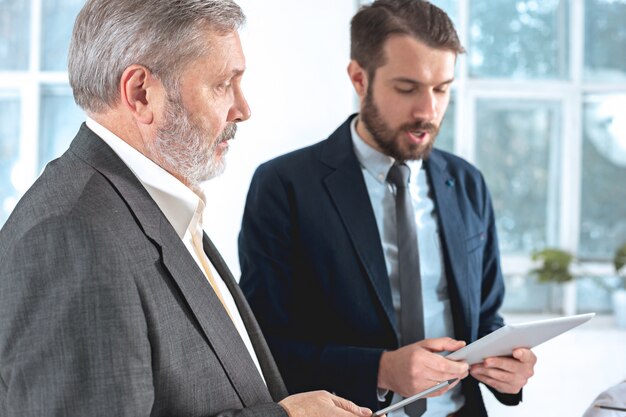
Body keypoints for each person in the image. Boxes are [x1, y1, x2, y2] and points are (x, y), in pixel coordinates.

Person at [0, 1, 373, 417]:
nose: (243, 109)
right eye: (221, 85)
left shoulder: (158, 206)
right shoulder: (70, 239)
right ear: (141, 93)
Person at [238, 1, 536, 416]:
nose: (427, 112)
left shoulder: (468, 184)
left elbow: (486, 316)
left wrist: (510, 370)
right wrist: (380, 369)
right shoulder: (284, 186)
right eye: (407, 88)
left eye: (441, 88)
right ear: (359, 79)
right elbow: (263, 347)